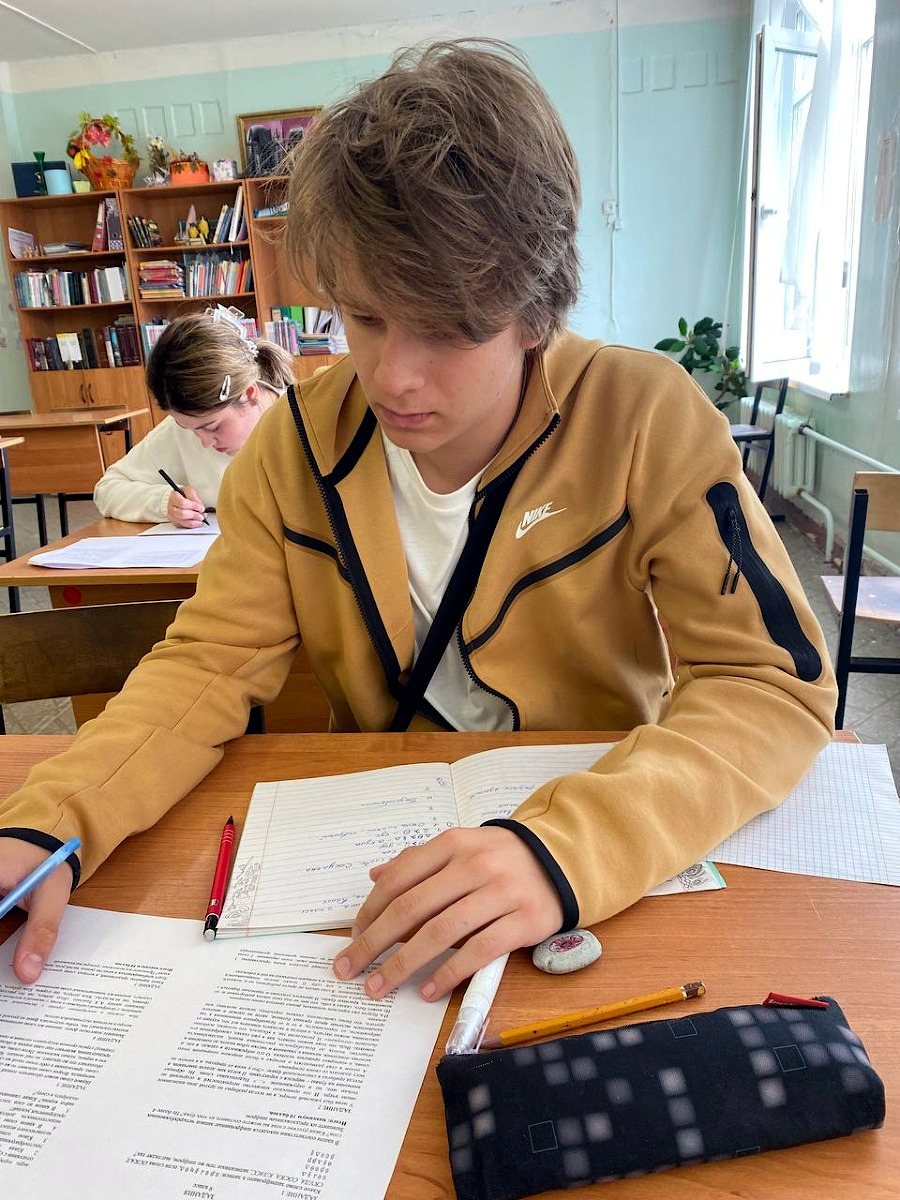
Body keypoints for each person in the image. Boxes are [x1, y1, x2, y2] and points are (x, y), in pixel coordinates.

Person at [0, 40, 836, 1001]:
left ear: (536, 310)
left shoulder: (645, 417)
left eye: (446, 327)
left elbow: (773, 683)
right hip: (372, 872)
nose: (392, 376)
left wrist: (567, 850)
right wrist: (49, 819)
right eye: (364, 318)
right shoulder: (294, 447)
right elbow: (205, 667)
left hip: (604, 875)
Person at [93, 309, 294, 526]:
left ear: (249, 394)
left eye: (213, 427)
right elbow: (107, 490)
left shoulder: (304, 423)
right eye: (188, 428)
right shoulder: (183, 429)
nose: (204, 442)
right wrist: (163, 502)